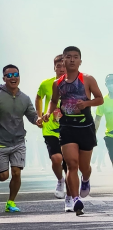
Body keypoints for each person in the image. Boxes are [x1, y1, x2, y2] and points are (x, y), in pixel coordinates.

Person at [42, 46, 104, 216]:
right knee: (71, 164)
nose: (71, 60)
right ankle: (76, 199)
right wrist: (48, 113)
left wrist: (86, 104)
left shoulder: (88, 79)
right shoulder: (58, 83)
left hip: (85, 127)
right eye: (68, 57)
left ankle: (85, 179)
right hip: (67, 126)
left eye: (75, 57)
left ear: (80, 61)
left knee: (84, 167)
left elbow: (100, 99)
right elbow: (53, 101)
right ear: (63, 60)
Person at [0, 65, 38, 212]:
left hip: (18, 142)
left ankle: (10, 202)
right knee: (3, 176)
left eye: (15, 74)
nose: (13, 78)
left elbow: (32, 116)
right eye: (9, 75)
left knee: (17, 172)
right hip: (1, 143)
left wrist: (39, 121)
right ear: (4, 78)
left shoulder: (25, 98)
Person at [35, 54, 67, 199]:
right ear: (54, 68)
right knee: (56, 158)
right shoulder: (46, 84)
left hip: (69, 127)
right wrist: (39, 116)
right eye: (58, 66)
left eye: (63, 66)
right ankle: (60, 181)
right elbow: (39, 97)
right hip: (50, 128)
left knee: (69, 160)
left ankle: (73, 183)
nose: (61, 69)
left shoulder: (75, 83)